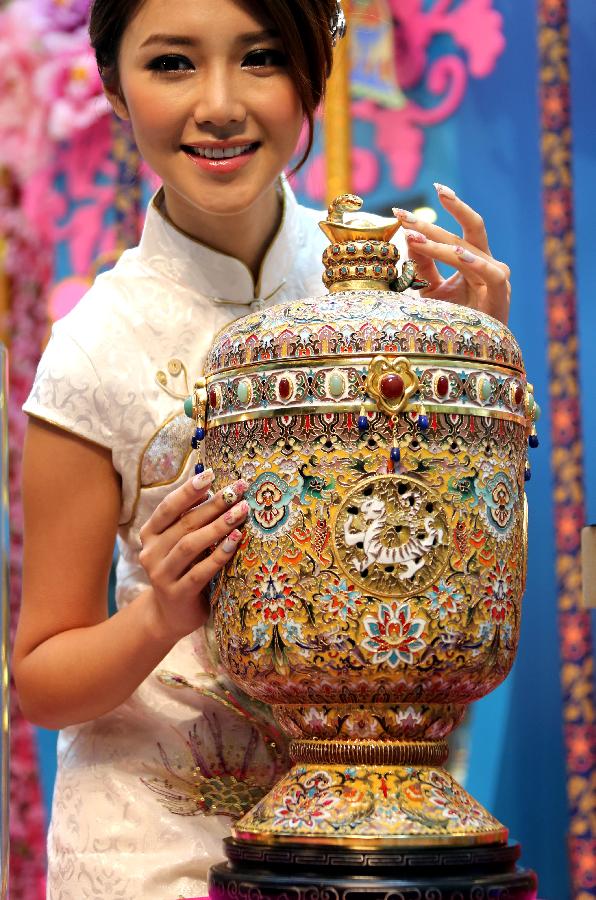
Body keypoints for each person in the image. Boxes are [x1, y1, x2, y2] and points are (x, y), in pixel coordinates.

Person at [12, 0, 512, 897]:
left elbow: (434, 557)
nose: (219, 103)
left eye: (260, 58)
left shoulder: (393, 282)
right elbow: (42, 681)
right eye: (171, 64)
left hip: (374, 837)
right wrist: (159, 615)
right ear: (113, 90)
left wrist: (469, 385)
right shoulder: (95, 346)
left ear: (313, 73)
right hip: (158, 844)